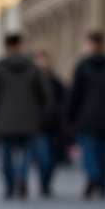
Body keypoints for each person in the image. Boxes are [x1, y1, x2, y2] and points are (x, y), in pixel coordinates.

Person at [0, 33, 50, 199]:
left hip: (4, 119)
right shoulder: (32, 67)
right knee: (26, 153)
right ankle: (22, 177)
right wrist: (39, 114)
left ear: (5, 45)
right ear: (21, 44)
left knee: (6, 154)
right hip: (29, 119)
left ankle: (9, 184)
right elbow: (44, 95)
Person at [66, 30, 105, 199]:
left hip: (87, 118)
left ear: (89, 44)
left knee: (90, 153)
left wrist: (70, 117)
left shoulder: (82, 66)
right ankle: (103, 185)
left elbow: (75, 95)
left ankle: (94, 177)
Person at [35, 50, 66, 198]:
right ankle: (43, 184)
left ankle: (47, 184)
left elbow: (64, 100)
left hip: (54, 126)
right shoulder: (32, 82)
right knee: (43, 157)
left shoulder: (56, 81)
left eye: (44, 59)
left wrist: (59, 114)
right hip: (39, 126)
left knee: (53, 158)